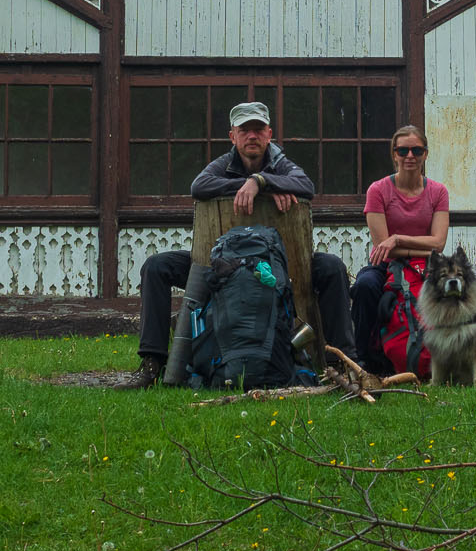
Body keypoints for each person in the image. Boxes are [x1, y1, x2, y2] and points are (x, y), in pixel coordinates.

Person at [127, 100, 356, 387]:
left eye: (258, 129)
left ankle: (342, 363)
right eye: (244, 130)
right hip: (221, 265)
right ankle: (152, 363)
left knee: (332, 267)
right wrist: (252, 184)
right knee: (156, 266)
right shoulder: (223, 164)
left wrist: (262, 181)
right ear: (232, 136)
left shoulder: (280, 163)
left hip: (285, 264)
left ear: (269, 134)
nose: (252, 136)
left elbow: (306, 185)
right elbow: (199, 186)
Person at [350, 125, 450, 372]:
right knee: (364, 287)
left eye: (416, 150)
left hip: (429, 265)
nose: (410, 156)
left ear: (425, 154)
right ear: (394, 154)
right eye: (403, 150)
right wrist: (401, 244)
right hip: (386, 266)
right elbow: (382, 247)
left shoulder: (438, 191)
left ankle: (455, 354)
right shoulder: (378, 190)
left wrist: (397, 239)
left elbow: (438, 243)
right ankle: (364, 358)